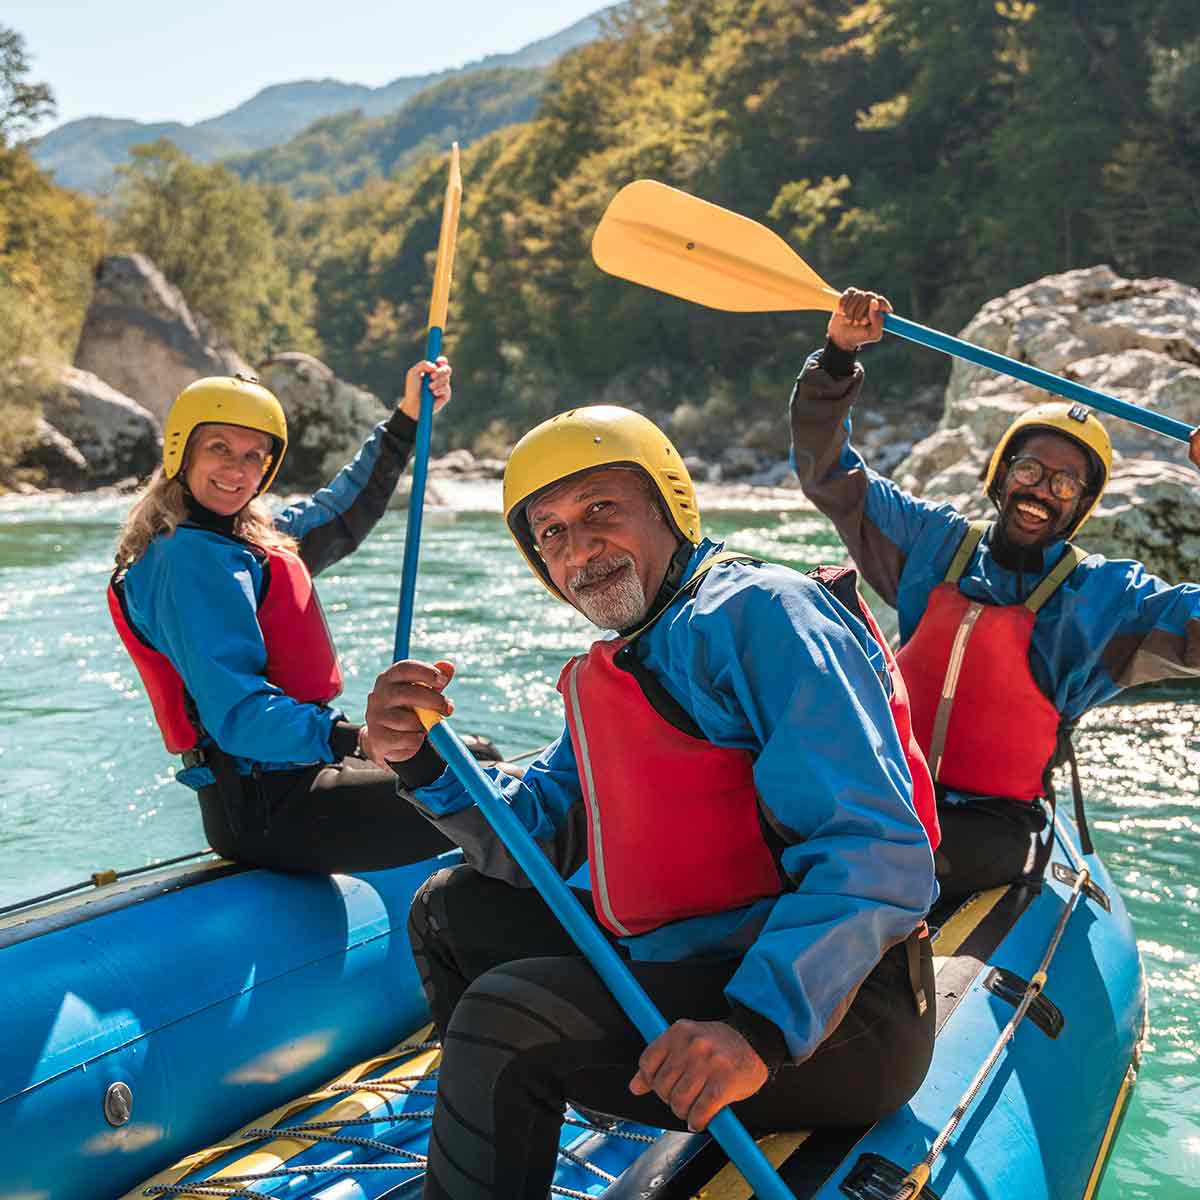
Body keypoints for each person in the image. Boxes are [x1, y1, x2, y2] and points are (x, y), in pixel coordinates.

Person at [362, 406, 938, 1200]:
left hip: (836, 1018)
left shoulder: (764, 615)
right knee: (449, 913)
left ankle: (511, 1094)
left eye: (602, 511)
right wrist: (421, 757)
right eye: (552, 532)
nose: (580, 548)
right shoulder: (625, 660)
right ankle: (500, 1148)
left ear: (668, 508)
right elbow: (539, 838)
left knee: (505, 1016)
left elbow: (876, 853)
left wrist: (754, 1032)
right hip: (691, 966)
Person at [791, 288, 1200, 900]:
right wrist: (839, 358)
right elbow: (829, 473)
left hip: (990, 826)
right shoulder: (931, 542)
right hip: (890, 789)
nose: (1042, 491)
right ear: (1002, 476)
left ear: (1082, 506)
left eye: (1065, 484)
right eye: (1031, 470)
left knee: (888, 859)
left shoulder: (1104, 598)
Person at [108, 361, 456, 874]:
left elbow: (343, 510)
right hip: (270, 806)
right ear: (182, 451)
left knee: (468, 754)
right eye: (219, 448)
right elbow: (240, 715)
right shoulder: (184, 561)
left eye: (254, 456)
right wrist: (356, 738)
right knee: (478, 786)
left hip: (299, 775)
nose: (237, 469)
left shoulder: (245, 539)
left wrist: (407, 418)